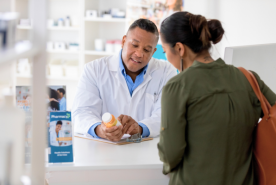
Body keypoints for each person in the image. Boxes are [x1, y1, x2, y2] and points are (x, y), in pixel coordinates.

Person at [157, 11, 276, 185]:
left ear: (180, 49)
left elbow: (170, 154)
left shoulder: (177, 87)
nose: (167, 57)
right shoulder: (249, 79)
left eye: (165, 50)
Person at [72, 19, 177, 141]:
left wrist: (141, 128)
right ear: (123, 41)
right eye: (135, 45)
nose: (139, 54)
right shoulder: (94, 69)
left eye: (146, 50)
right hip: (104, 152)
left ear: (153, 52)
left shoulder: (166, 72)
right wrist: (100, 130)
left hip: (146, 151)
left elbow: (167, 115)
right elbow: (81, 112)